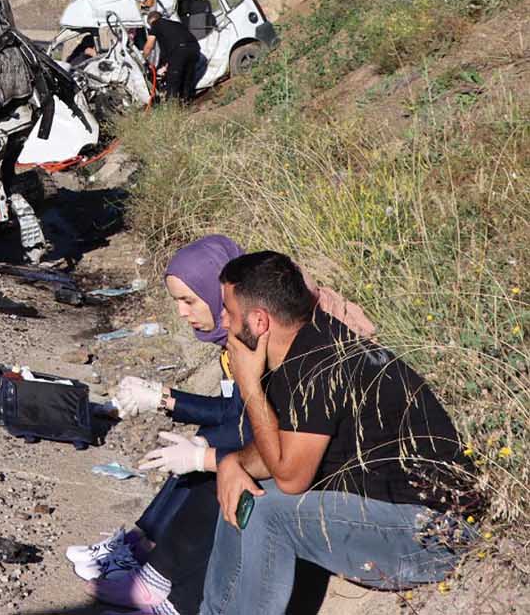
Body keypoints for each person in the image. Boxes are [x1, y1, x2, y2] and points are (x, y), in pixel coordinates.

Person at [66, 237, 377, 615]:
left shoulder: (279, 345)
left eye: (189, 300)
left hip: (334, 478)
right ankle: (143, 552)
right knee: (212, 457)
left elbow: (255, 427)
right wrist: (169, 401)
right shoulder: (247, 338)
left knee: (220, 468)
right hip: (306, 458)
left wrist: (201, 447)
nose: (182, 313)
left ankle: (168, 589)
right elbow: (241, 415)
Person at [205, 251, 475, 615]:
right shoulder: (298, 352)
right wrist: (233, 463)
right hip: (386, 515)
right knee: (241, 492)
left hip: (435, 535)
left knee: (269, 511)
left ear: (259, 321)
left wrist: (249, 385)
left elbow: (290, 479)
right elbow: (279, 451)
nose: (222, 320)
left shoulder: (320, 366)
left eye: (228, 311)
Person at [142, 10, 200, 103]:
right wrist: (165, 64)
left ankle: (172, 107)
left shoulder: (155, 24)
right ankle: (187, 102)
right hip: (194, 49)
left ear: (151, 22)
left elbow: (149, 45)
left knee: (173, 81)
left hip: (180, 51)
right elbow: (169, 48)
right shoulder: (176, 24)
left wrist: (143, 59)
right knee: (186, 78)